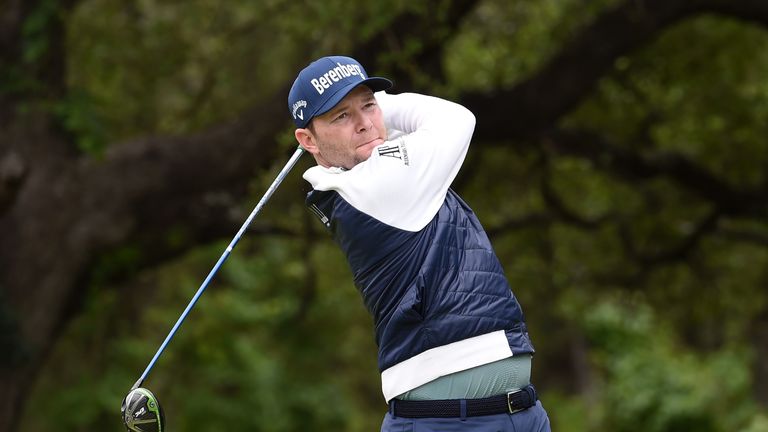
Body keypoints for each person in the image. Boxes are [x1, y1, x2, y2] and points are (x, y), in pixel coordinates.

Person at [288, 55, 551, 431]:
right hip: (448, 422)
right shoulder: (378, 184)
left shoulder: (369, 174)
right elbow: (457, 119)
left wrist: (362, 110)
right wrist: (383, 107)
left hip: (516, 413)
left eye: (368, 105)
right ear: (308, 140)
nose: (364, 124)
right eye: (341, 116)